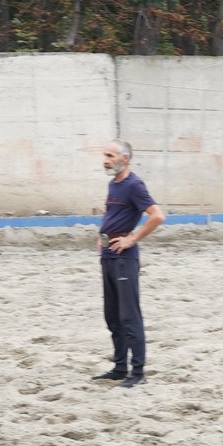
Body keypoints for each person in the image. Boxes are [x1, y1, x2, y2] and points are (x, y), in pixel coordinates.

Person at [93, 139, 164, 388]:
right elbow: (112, 214)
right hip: (108, 255)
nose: (105, 160)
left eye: (110, 156)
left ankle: (138, 372)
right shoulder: (114, 184)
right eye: (104, 155)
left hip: (124, 258)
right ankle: (120, 368)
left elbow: (158, 216)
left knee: (129, 316)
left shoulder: (134, 185)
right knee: (112, 315)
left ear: (125, 159)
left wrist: (132, 239)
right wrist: (102, 236)